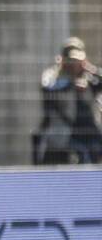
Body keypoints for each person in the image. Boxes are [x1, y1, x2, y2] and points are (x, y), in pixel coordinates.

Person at [34, 36, 102, 164]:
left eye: (78, 61)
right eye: (71, 61)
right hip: (61, 138)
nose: (74, 66)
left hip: (90, 136)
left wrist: (91, 69)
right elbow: (47, 86)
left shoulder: (90, 77)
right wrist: (71, 84)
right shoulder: (53, 75)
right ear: (63, 61)